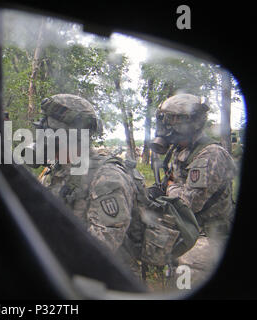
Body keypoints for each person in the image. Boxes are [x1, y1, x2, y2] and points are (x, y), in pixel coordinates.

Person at [31, 94, 147, 278]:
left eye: (46, 132)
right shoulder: (55, 169)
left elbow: (99, 248)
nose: (40, 138)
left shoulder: (107, 177)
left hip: (109, 281)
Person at [150, 93, 237, 285]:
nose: (167, 125)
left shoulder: (211, 154)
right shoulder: (181, 150)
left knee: (185, 274)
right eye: (166, 119)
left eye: (173, 119)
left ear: (191, 123)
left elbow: (188, 204)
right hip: (188, 229)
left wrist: (171, 187)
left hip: (208, 237)